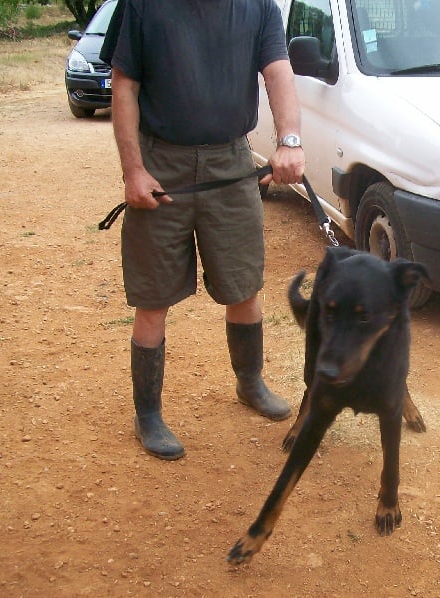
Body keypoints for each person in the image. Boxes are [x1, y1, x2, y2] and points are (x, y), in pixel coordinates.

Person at [107, 0, 305, 460]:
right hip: (162, 163)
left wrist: (289, 139)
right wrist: (133, 171)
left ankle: (250, 383)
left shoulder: (258, 6)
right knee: (153, 297)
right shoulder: (142, 5)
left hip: (230, 162)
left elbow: (277, 71)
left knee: (243, 286)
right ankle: (148, 414)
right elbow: (124, 85)